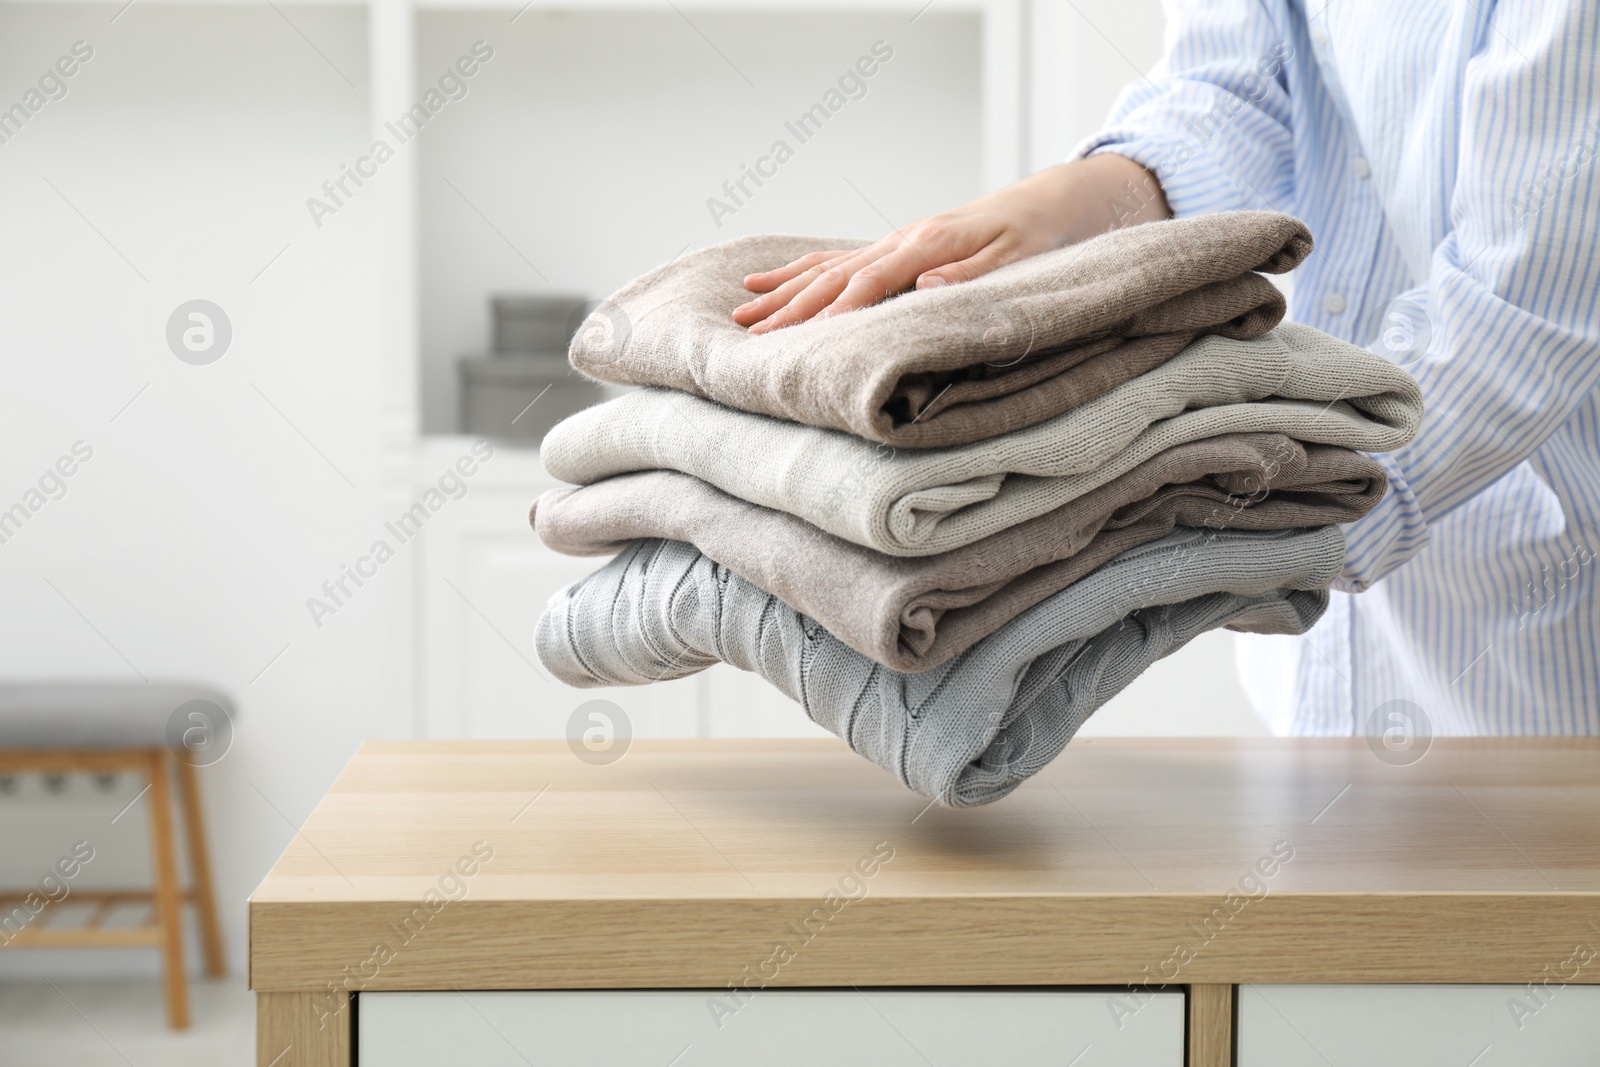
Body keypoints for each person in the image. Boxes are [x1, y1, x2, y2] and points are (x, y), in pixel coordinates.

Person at [733, 1, 1600, 738]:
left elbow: (1527, 292)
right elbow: (1235, 88)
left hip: (1529, 647)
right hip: (1307, 678)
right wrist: (1071, 208)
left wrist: (1280, 500)